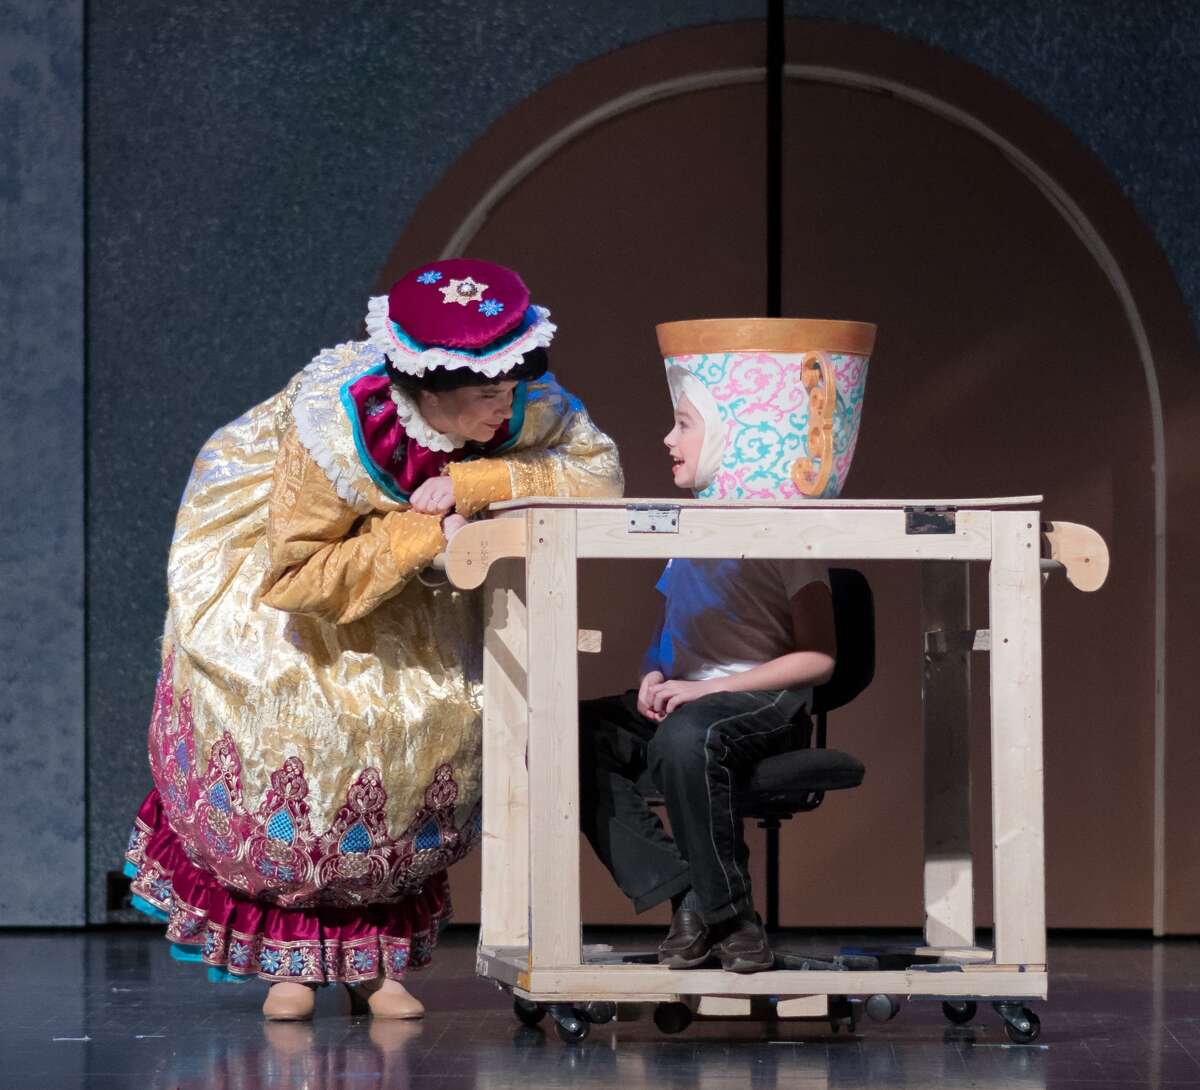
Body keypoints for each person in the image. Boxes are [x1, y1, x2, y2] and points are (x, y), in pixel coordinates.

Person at [124, 258, 623, 1019]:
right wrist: (419, 531)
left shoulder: (519, 401)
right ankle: (289, 966)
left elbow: (598, 473)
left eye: (510, 391)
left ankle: (371, 964)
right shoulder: (339, 433)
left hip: (415, 600)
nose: (504, 409)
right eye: (485, 397)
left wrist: (476, 483)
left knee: (419, 738)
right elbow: (298, 575)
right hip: (299, 596)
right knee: (309, 737)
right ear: (429, 392)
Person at [579, 370, 836, 973]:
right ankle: (690, 894)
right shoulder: (686, 530)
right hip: (691, 699)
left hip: (763, 701)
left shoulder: (786, 535)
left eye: (685, 426)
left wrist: (706, 689)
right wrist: (654, 675)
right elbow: (676, 635)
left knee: (688, 734)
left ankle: (728, 915)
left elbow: (819, 656)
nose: (668, 440)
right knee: (569, 733)